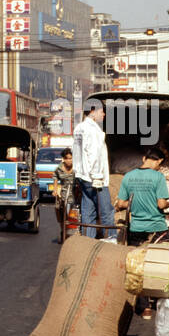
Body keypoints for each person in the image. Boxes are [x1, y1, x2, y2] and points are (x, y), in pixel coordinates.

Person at [115, 147, 169, 317]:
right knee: (164, 264)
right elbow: (161, 204)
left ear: (143, 158)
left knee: (139, 267)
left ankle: (144, 306)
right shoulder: (158, 177)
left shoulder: (128, 177)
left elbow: (120, 203)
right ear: (159, 161)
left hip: (136, 228)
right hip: (157, 229)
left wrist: (134, 203)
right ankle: (164, 301)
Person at [73, 101, 115, 241]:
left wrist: (79, 173)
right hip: (95, 179)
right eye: (101, 111)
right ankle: (111, 241)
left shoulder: (79, 128)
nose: (103, 114)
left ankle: (88, 241)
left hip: (83, 177)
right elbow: (93, 154)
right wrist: (97, 176)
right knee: (106, 212)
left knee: (88, 211)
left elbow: (77, 154)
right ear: (92, 111)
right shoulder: (93, 130)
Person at [53, 148, 76, 243]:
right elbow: (55, 178)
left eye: (71, 158)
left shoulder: (76, 168)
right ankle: (64, 232)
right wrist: (55, 190)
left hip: (75, 194)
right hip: (64, 195)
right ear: (64, 159)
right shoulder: (59, 169)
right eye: (67, 158)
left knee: (73, 215)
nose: (69, 161)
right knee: (62, 214)